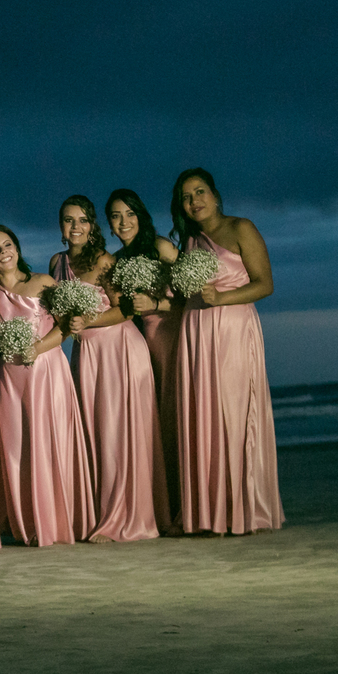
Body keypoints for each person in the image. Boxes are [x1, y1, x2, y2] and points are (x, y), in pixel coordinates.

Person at [170, 168, 283, 535]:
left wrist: (223, 298)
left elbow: (265, 284)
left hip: (233, 329)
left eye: (200, 192)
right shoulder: (190, 240)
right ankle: (210, 512)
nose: (194, 201)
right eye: (187, 197)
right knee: (204, 418)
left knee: (234, 413)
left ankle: (244, 510)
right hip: (197, 332)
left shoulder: (241, 228)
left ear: (215, 195)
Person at [50, 196, 163, 543]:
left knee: (119, 431)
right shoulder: (57, 262)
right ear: (61, 227)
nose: (76, 227)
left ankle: (123, 517)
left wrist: (89, 320)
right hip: (87, 354)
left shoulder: (104, 261)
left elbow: (126, 309)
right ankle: (100, 510)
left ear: (92, 224)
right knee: (96, 431)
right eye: (69, 221)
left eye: (82, 220)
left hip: (119, 349)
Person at [0, 225, 94, 547]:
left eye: (8, 244)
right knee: (18, 448)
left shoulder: (42, 282)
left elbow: (66, 328)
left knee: (50, 442)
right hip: (11, 381)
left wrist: (36, 349)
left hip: (48, 373)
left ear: (17, 247)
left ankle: (58, 521)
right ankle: (27, 523)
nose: (4, 252)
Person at [106, 188, 182, 531]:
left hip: (171, 334)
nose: (123, 222)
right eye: (116, 216)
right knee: (158, 424)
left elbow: (191, 296)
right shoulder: (117, 260)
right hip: (141, 346)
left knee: (180, 417)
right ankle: (166, 506)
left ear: (141, 215)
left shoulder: (162, 247)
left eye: (130, 214)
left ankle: (189, 506)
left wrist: (155, 306)